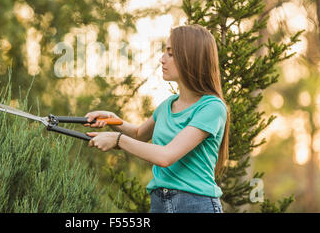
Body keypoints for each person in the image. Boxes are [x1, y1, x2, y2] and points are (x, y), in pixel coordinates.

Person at [84, 24, 230, 213]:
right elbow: (138, 134)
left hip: (195, 205)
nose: (162, 59)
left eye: (170, 53)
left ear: (190, 57)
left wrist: (117, 140)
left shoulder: (212, 107)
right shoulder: (168, 105)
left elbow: (165, 156)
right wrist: (113, 120)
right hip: (160, 203)